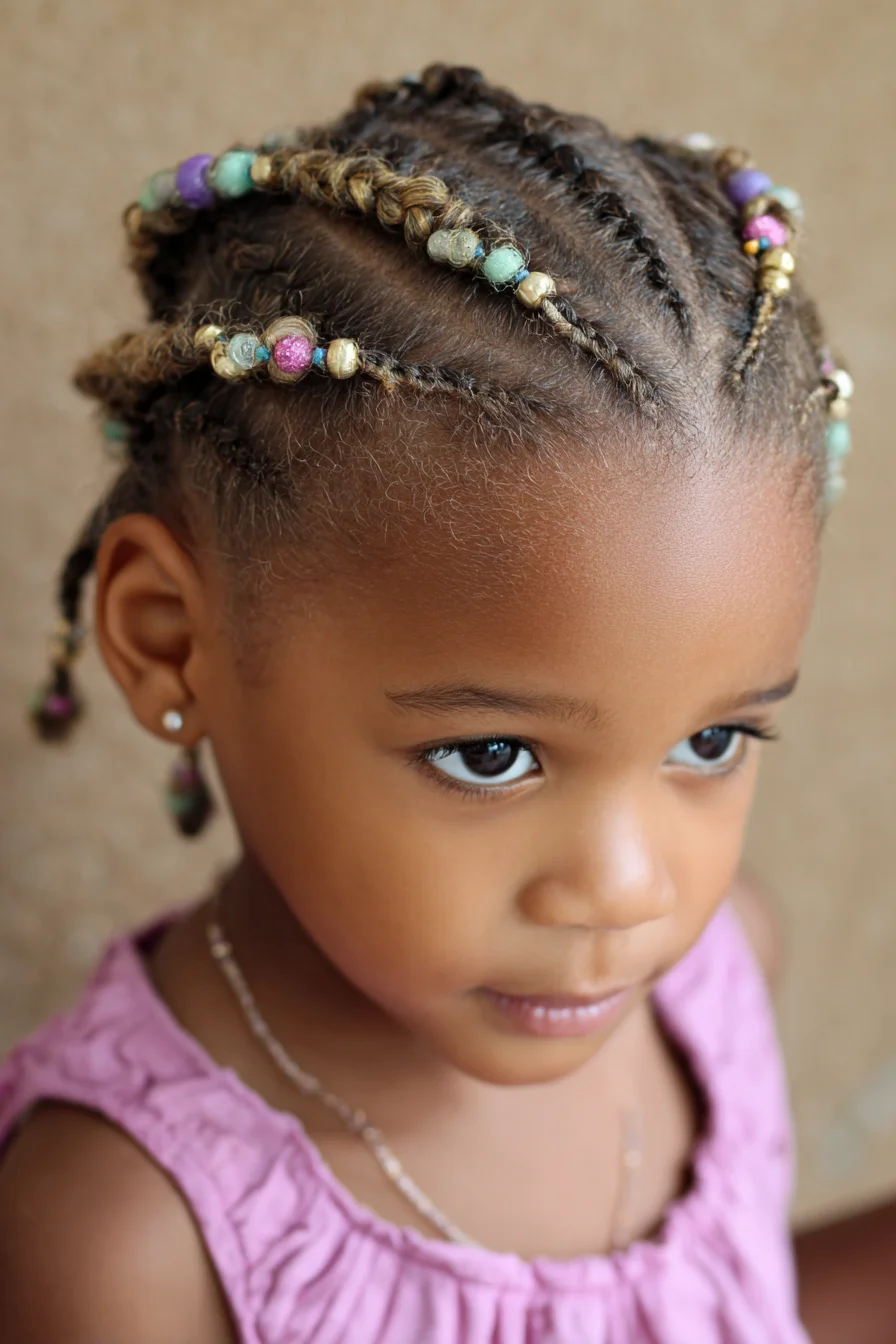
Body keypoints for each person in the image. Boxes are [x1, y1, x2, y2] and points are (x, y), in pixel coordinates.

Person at [0, 61, 890, 1344]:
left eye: (710, 740)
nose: (627, 890)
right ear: (170, 641)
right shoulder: (132, 1237)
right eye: (488, 754)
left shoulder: (712, 982)